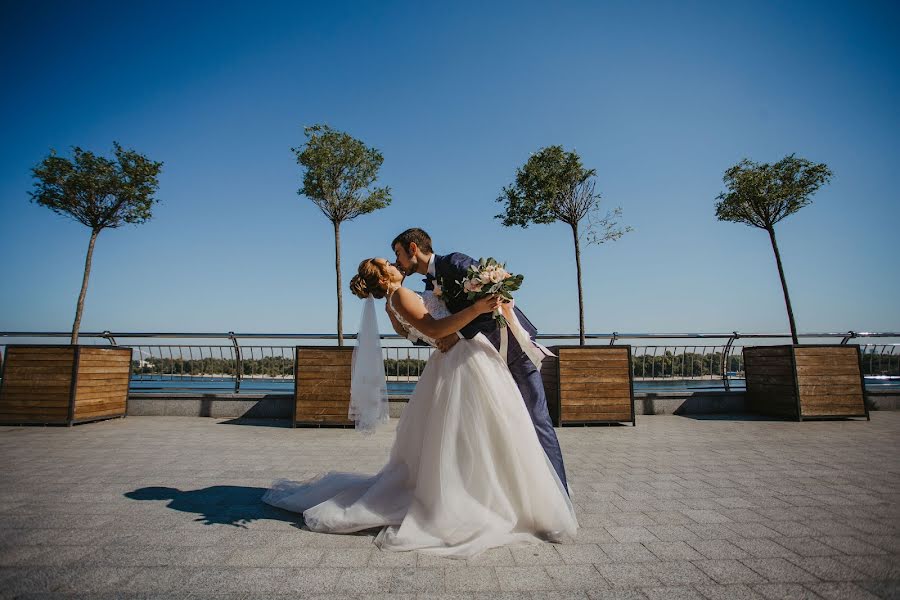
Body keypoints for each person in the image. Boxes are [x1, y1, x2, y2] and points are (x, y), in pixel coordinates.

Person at [262, 258, 577, 558]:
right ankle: (482, 499)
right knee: (484, 431)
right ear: (385, 278)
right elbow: (435, 331)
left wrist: (451, 324)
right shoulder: (400, 296)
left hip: (456, 358)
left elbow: (419, 332)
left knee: (476, 434)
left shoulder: (392, 303)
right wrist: (477, 308)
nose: (394, 263)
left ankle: (492, 493)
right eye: (388, 264)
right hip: (462, 362)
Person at [391, 227, 569, 493]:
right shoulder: (430, 284)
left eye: (398, 253)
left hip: (512, 349)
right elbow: (435, 325)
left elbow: (493, 301)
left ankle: (559, 495)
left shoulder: (454, 263)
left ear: (413, 249)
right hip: (483, 359)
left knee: (537, 420)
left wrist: (457, 334)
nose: (398, 261)